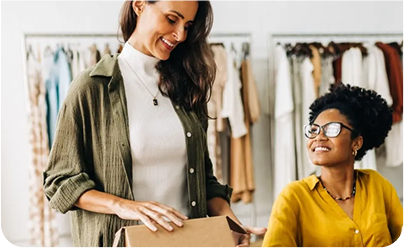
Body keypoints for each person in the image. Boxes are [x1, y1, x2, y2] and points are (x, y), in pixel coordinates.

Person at [42, 0, 266, 247]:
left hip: (192, 242)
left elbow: (205, 181)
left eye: (188, 25)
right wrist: (125, 207)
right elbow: (59, 181)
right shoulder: (92, 88)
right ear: (139, 5)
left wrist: (232, 226)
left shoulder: (188, 87)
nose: (180, 35)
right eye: (172, 19)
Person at [262, 83, 404, 247]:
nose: (319, 137)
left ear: (356, 143)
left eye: (331, 129)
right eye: (314, 130)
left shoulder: (377, 185)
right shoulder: (294, 197)